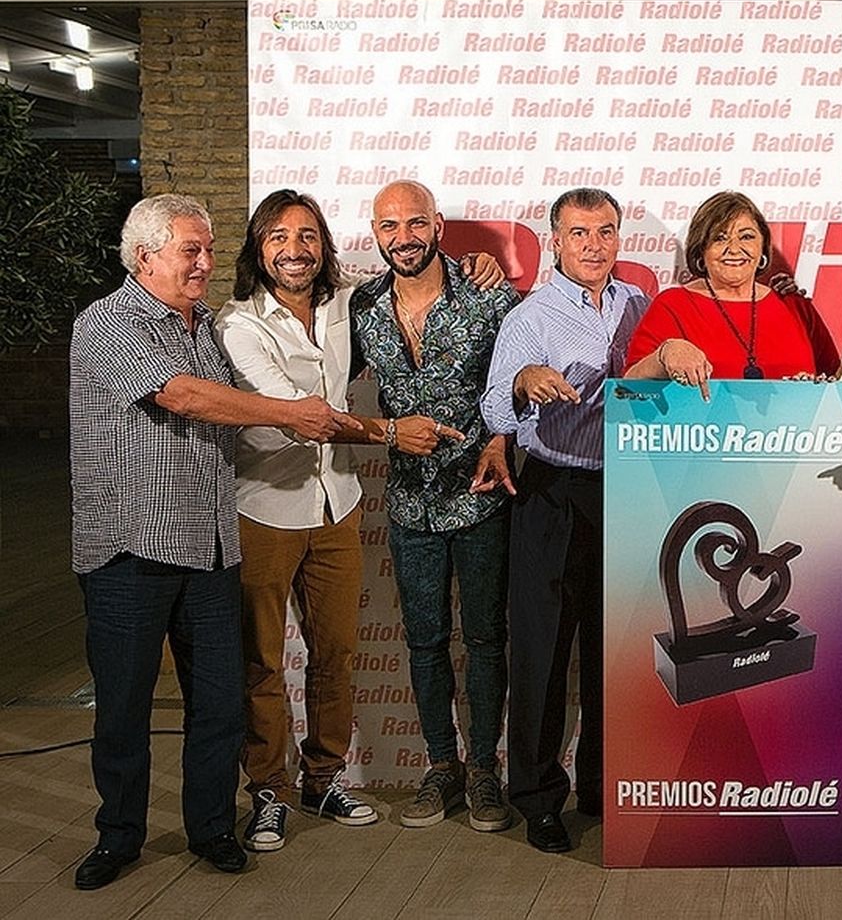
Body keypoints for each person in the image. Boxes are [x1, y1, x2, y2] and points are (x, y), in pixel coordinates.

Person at [69, 194, 354, 890]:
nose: (205, 262)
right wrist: (291, 413)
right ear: (145, 257)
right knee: (125, 707)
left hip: (211, 546)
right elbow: (183, 397)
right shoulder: (107, 321)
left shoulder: (204, 326)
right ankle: (119, 836)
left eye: (208, 249)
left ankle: (212, 828)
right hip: (130, 549)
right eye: (189, 250)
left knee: (220, 705)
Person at [216, 189, 503, 851]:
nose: (295, 249)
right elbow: (302, 415)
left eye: (307, 236)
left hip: (354, 502)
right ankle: (271, 790)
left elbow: (505, 369)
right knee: (264, 662)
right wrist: (390, 432)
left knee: (342, 655)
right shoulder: (243, 324)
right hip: (270, 504)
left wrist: (479, 261)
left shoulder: (351, 302)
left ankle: (328, 778)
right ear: (258, 248)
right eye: (278, 237)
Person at [481, 188, 649, 854]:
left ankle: (603, 786)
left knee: (618, 651)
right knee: (543, 652)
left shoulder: (639, 304)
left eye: (605, 231)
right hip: (553, 488)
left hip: (630, 489)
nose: (593, 244)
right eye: (579, 232)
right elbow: (496, 407)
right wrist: (524, 379)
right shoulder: (530, 316)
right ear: (555, 240)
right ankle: (538, 798)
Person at [350, 179, 520, 832]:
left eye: (415, 223)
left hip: (480, 499)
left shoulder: (488, 293)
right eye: (389, 226)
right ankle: (441, 766)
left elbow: (522, 376)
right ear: (375, 233)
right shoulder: (362, 305)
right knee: (423, 642)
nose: (404, 237)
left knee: (484, 640)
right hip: (408, 506)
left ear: (438, 225)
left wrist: (502, 438)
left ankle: (484, 771)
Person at [623, 190, 839, 389]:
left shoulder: (794, 306)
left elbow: (836, 382)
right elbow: (629, 387)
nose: (734, 249)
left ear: (763, 246)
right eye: (719, 238)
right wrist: (665, 353)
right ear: (701, 250)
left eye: (746, 236)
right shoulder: (674, 305)